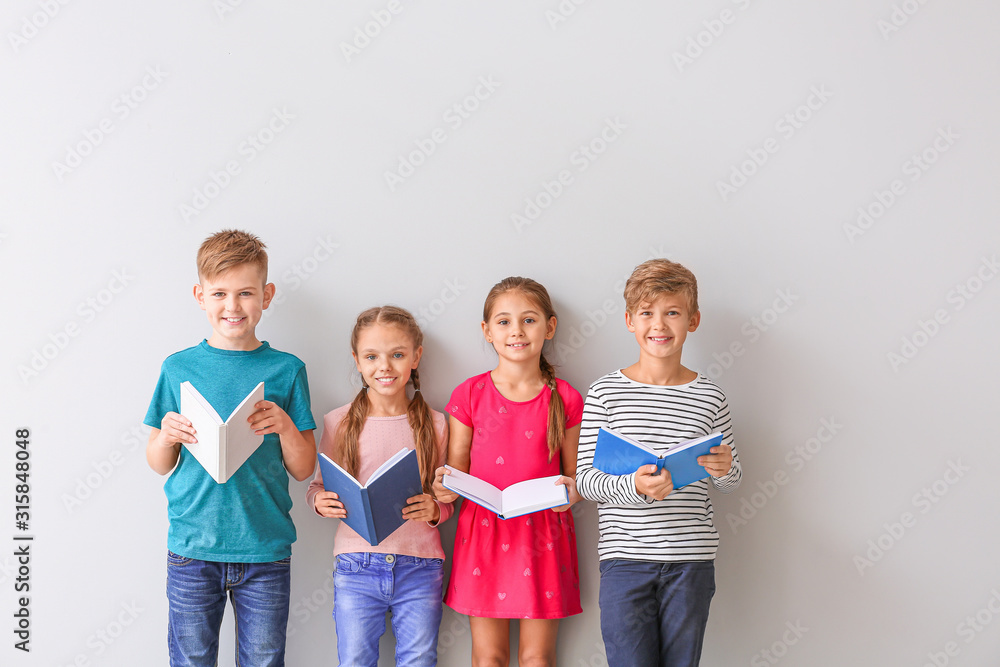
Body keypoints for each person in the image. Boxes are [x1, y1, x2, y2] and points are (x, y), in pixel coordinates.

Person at [144, 229, 316, 667]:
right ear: (200, 296)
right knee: (191, 660)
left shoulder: (287, 370)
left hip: (264, 549)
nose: (232, 306)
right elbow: (158, 463)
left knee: (263, 659)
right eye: (220, 293)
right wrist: (165, 436)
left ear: (267, 294)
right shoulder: (178, 367)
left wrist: (285, 429)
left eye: (245, 293)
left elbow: (303, 468)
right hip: (192, 548)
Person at [575, 258, 742, 667]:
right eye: (648, 313)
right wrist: (634, 485)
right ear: (630, 320)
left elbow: (731, 480)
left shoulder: (710, 397)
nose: (660, 325)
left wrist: (724, 468)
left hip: (691, 561)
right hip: (625, 561)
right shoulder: (605, 393)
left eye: (672, 313)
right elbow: (585, 481)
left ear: (693, 319)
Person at [433, 276, 583, 667]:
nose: (516, 330)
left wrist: (571, 493)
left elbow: (576, 475)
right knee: (489, 658)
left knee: (537, 658)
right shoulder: (469, 394)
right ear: (487, 331)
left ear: (549, 327)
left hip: (544, 536)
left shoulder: (565, 397)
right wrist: (444, 486)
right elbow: (456, 468)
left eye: (529, 320)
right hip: (483, 533)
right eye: (503, 321)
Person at [306, 306, 452, 667]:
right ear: (357, 360)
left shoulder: (435, 424)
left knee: (418, 659)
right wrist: (319, 501)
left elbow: (448, 495)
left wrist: (436, 509)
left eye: (397, 355)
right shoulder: (338, 422)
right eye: (372, 356)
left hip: (420, 565)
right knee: (355, 659)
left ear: (416, 357)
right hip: (356, 564)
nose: (384, 366)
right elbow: (317, 485)